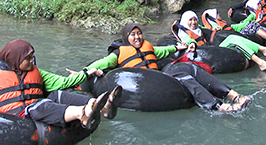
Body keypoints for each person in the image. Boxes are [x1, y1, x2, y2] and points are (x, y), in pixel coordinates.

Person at [0, 39, 120, 134]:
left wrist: (87, 72)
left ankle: (101, 106)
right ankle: (83, 113)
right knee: (40, 106)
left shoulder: (37, 72)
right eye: (28, 58)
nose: (32, 60)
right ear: (16, 59)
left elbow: (63, 82)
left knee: (57, 95)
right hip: (16, 117)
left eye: (32, 56)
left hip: (36, 106)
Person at [88, 23, 252, 111]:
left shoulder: (148, 46)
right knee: (184, 78)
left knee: (190, 68)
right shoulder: (118, 53)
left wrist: (179, 47)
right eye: (133, 35)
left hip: (160, 76)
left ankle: (233, 95)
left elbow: (163, 50)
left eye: (139, 33)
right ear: (126, 37)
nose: (137, 37)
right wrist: (85, 73)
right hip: (149, 83)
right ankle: (218, 106)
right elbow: (99, 64)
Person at [176, 11, 266, 71]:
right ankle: (261, 62)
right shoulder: (183, 32)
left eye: (194, 19)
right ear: (185, 21)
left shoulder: (199, 29)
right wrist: (192, 44)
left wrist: (214, 29)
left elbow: (209, 31)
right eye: (190, 20)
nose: (193, 22)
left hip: (213, 48)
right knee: (234, 40)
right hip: (206, 52)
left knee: (234, 38)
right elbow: (188, 40)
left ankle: (263, 50)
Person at [201, 8, 266, 49]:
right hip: (234, 38)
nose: (219, 15)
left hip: (236, 33)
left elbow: (236, 27)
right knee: (253, 26)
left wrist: (252, 20)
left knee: (252, 25)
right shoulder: (214, 28)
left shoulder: (223, 23)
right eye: (217, 14)